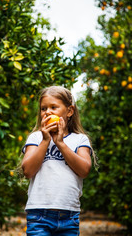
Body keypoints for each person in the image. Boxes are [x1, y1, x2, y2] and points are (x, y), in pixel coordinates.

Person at [21, 85, 96, 236]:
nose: (47, 112)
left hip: (69, 216)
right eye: (43, 108)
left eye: (53, 107)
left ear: (69, 111)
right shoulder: (36, 138)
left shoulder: (80, 139)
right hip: (39, 215)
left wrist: (60, 143)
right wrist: (45, 141)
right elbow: (28, 171)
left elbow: (84, 170)